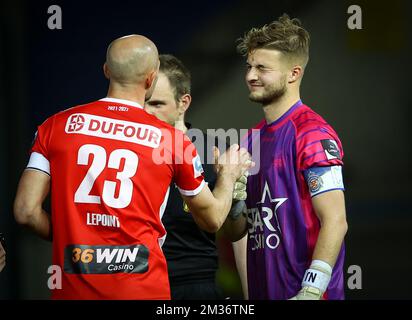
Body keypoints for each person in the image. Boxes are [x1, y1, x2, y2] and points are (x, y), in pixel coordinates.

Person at [13, 35, 252, 300]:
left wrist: (75, 238)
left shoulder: (56, 126)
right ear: (150, 79)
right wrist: (228, 176)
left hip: (73, 289)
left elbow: (25, 212)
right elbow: (213, 219)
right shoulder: (172, 140)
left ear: (106, 70)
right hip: (143, 289)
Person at [226, 14, 348, 300]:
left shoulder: (312, 133)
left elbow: (336, 220)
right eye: (249, 66)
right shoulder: (250, 139)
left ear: (293, 73)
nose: (250, 76)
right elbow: (239, 232)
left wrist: (312, 289)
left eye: (262, 68)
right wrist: (234, 200)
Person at [145, 54, 247, 299]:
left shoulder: (215, 153)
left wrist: (233, 198)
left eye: (157, 104)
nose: (147, 112)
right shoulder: (125, 151)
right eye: (143, 102)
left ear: (184, 103)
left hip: (195, 284)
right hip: (138, 280)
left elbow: (236, 234)